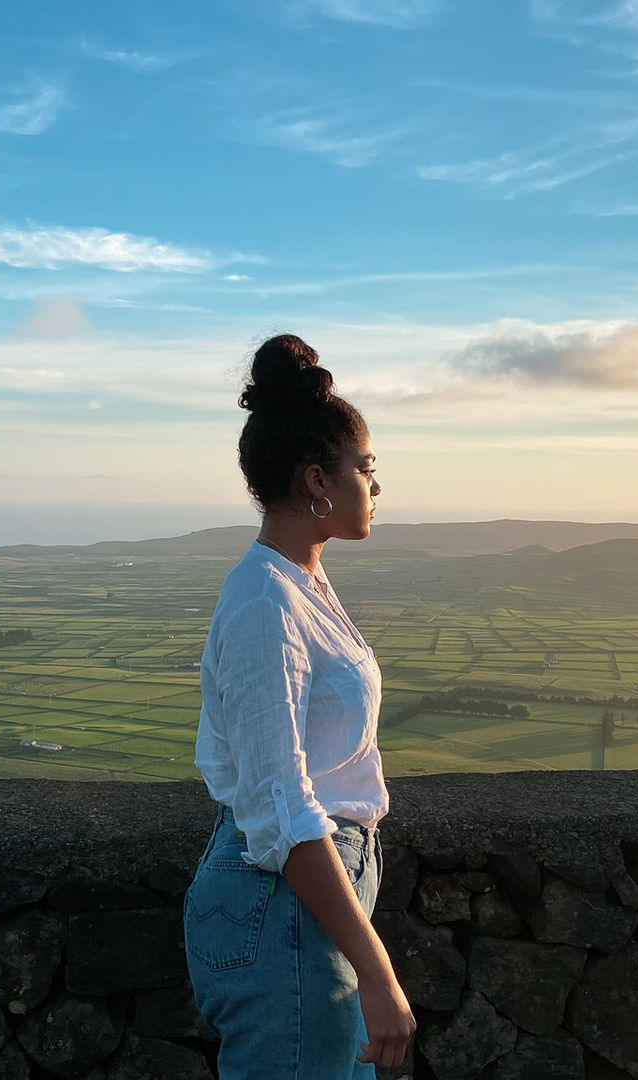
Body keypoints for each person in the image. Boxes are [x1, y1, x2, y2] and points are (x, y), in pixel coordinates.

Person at [184, 333, 415, 1077]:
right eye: (366, 469)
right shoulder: (267, 602)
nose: (376, 486)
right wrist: (376, 970)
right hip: (284, 905)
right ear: (318, 479)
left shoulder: (299, 582)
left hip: (305, 904)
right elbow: (281, 807)